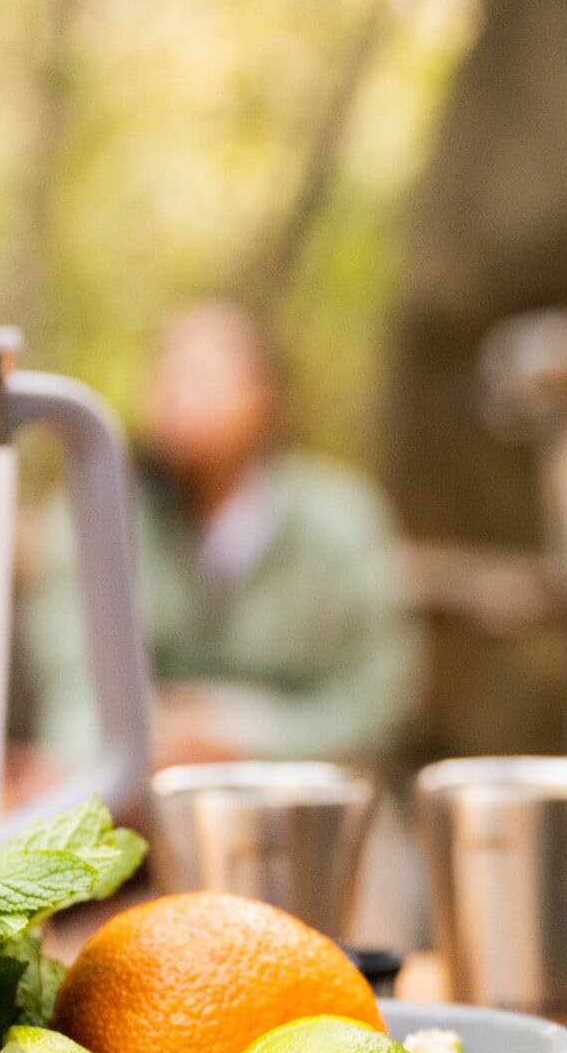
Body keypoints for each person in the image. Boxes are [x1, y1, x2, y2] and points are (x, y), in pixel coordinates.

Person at [23, 300, 420, 775]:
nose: (181, 394)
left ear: (265, 397)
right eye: (167, 374)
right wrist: (132, 749)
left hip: (301, 802)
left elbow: (380, 701)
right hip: (132, 798)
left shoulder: (340, 523)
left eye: (206, 374)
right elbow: (70, 687)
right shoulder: (91, 517)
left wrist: (245, 736)